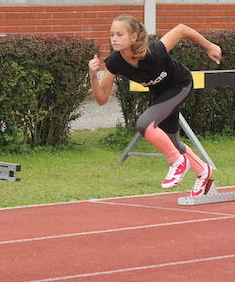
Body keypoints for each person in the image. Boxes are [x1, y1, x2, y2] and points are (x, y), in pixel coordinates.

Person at [88, 15, 221, 196]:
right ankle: (203, 170)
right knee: (172, 142)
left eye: (119, 34)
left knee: (145, 124)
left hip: (180, 85)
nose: (114, 39)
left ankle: (177, 162)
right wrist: (93, 76)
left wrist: (209, 46)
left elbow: (181, 29)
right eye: (112, 35)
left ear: (134, 37)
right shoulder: (113, 62)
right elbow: (102, 99)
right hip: (160, 94)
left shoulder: (155, 51)